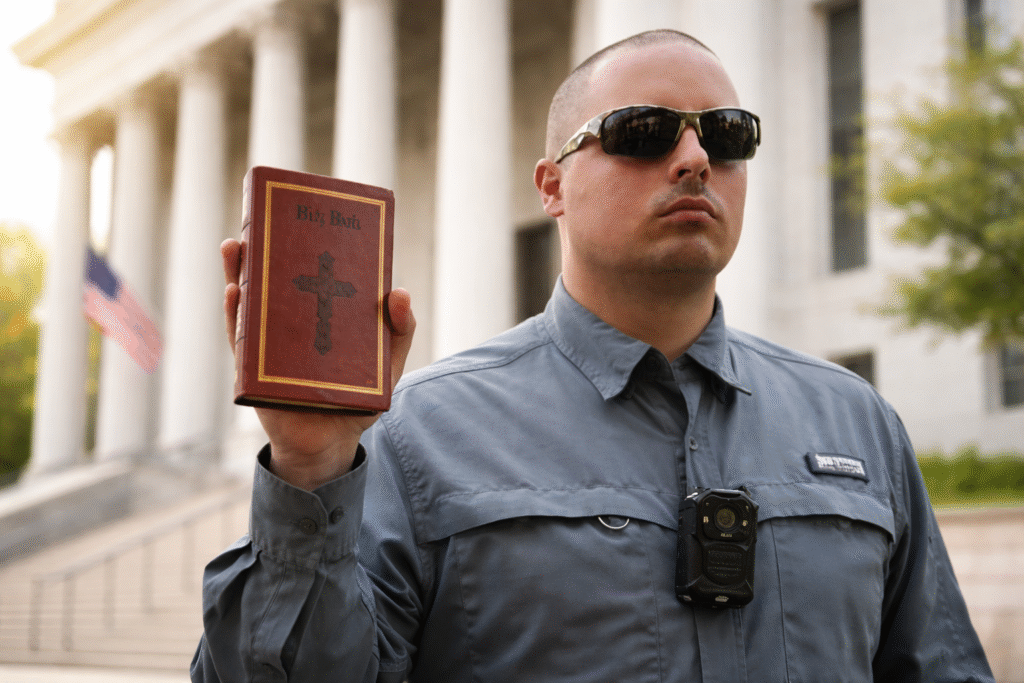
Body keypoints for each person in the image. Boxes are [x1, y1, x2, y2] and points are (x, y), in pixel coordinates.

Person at [192, 29, 994, 682]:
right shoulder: (415, 438)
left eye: (726, 134)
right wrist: (308, 474)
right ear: (551, 186)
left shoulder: (859, 423)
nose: (694, 160)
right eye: (642, 132)